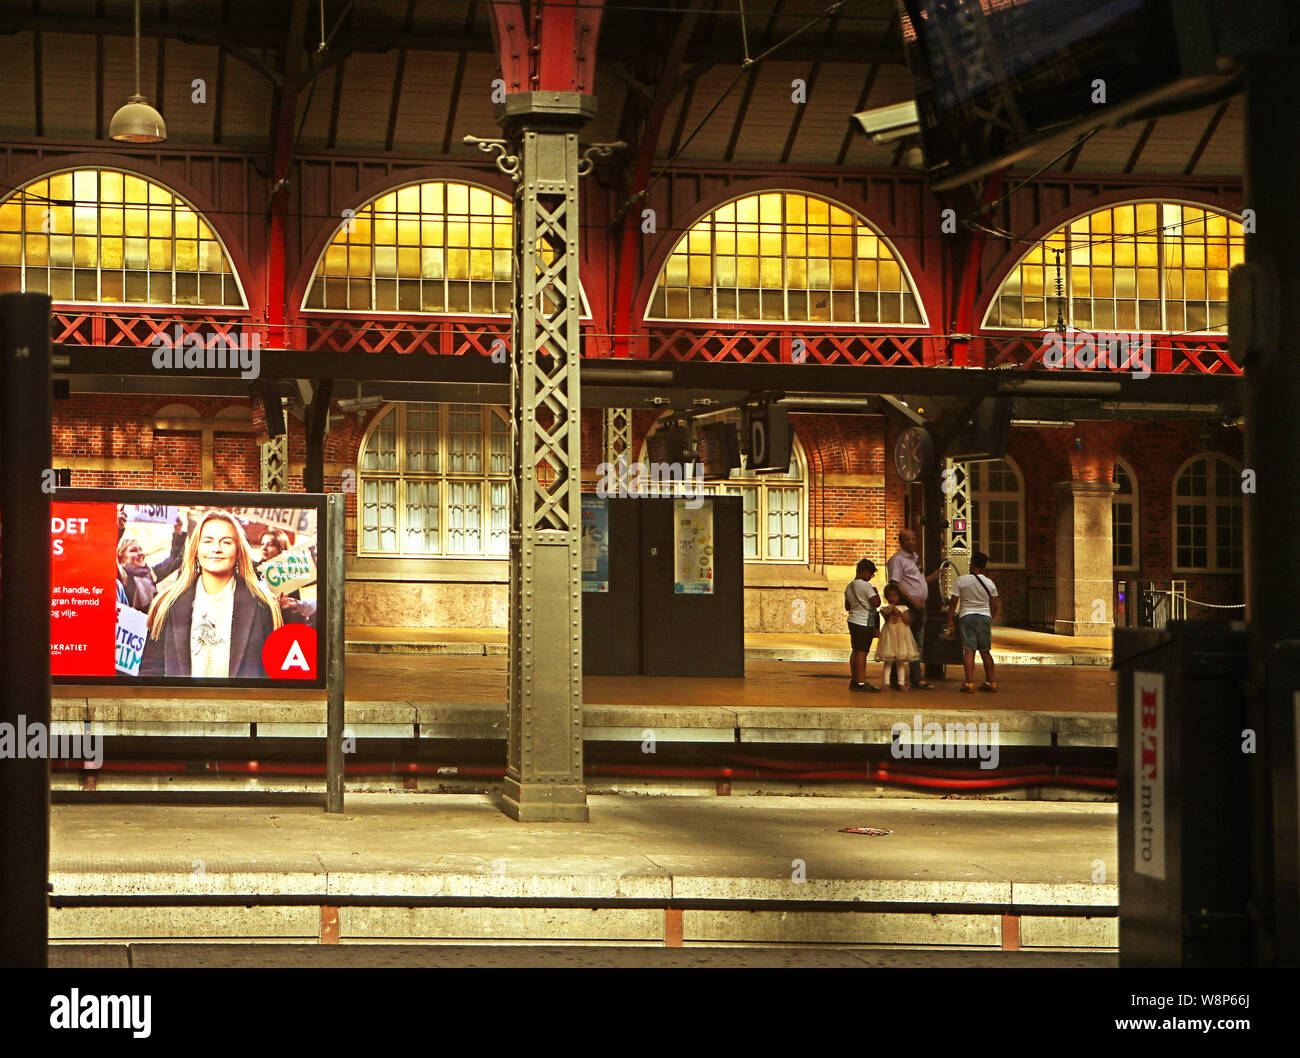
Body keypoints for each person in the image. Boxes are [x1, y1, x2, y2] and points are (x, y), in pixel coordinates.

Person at [139, 511, 283, 678]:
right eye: (208, 541)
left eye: (226, 542)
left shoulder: (264, 605)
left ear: (238, 551)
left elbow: (272, 677)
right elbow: (149, 672)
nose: (216, 549)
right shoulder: (167, 604)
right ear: (196, 550)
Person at [885, 529, 945, 690]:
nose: (911, 542)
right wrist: (912, 600)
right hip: (907, 606)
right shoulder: (897, 560)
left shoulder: (914, 559)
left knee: (916, 643)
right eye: (907, 540)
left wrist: (932, 578)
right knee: (901, 642)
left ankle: (916, 678)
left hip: (920, 606)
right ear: (901, 542)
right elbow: (895, 583)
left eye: (913, 539)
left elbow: (915, 581)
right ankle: (896, 680)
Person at [945, 550, 1000, 693]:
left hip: (966, 617)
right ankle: (991, 681)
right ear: (984, 566)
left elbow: (953, 602)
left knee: (969, 651)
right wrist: (989, 617)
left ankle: (969, 683)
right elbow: (995, 605)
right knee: (985, 651)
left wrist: (950, 620)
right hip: (984, 617)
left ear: (972, 564)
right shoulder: (990, 583)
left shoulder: (961, 581)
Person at [116, 519, 187, 613]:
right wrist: (119, 528)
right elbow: (109, 551)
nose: (140, 553)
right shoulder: (121, 577)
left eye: (140, 550)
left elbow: (175, 561)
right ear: (121, 558)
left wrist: (178, 532)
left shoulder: (150, 574)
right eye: (133, 550)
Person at [254, 528, 317, 626]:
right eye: (262, 544)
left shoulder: (291, 571)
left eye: (270, 544)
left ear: (281, 548)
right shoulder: (255, 571)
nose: (264, 548)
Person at [844, 558, 882, 694]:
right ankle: (860, 682)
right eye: (871, 574)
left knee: (855, 650)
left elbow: (847, 606)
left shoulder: (849, 586)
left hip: (853, 619)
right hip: (864, 621)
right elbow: (876, 602)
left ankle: (855, 679)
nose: (871, 578)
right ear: (865, 572)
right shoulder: (865, 586)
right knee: (862, 652)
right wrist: (875, 591)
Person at [876, 581, 921, 691]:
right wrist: (889, 611)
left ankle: (901, 682)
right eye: (890, 596)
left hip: (901, 636)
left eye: (894, 596)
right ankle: (886, 682)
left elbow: (907, 621)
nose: (892, 598)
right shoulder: (885, 608)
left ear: (899, 596)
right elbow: (886, 618)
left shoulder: (903, 608)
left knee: (900, 661)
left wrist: (899, 613)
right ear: (886, 597)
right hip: (890, 635)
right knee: (888, 660)